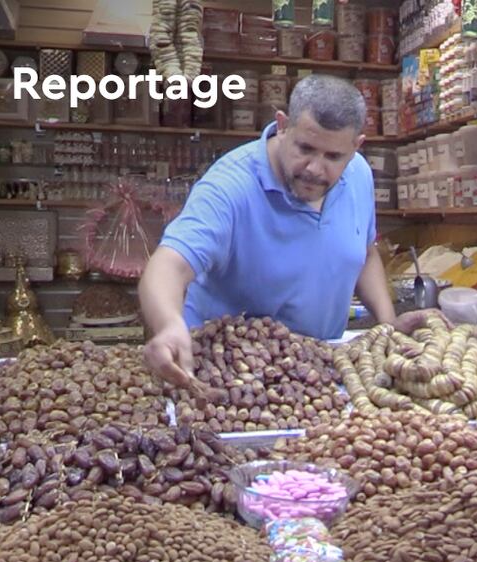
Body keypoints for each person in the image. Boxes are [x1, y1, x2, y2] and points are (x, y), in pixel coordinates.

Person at [138, 74, 419, 389]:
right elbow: (168, 264)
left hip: (317, 374)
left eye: (333, 156)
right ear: (283, 126)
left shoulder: (358, 175)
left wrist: (388, 325)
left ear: (356, 147)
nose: (315, 168)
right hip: (226, 376)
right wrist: (168, 325)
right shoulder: (230, 186)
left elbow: (364, 254)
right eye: (305, 148)